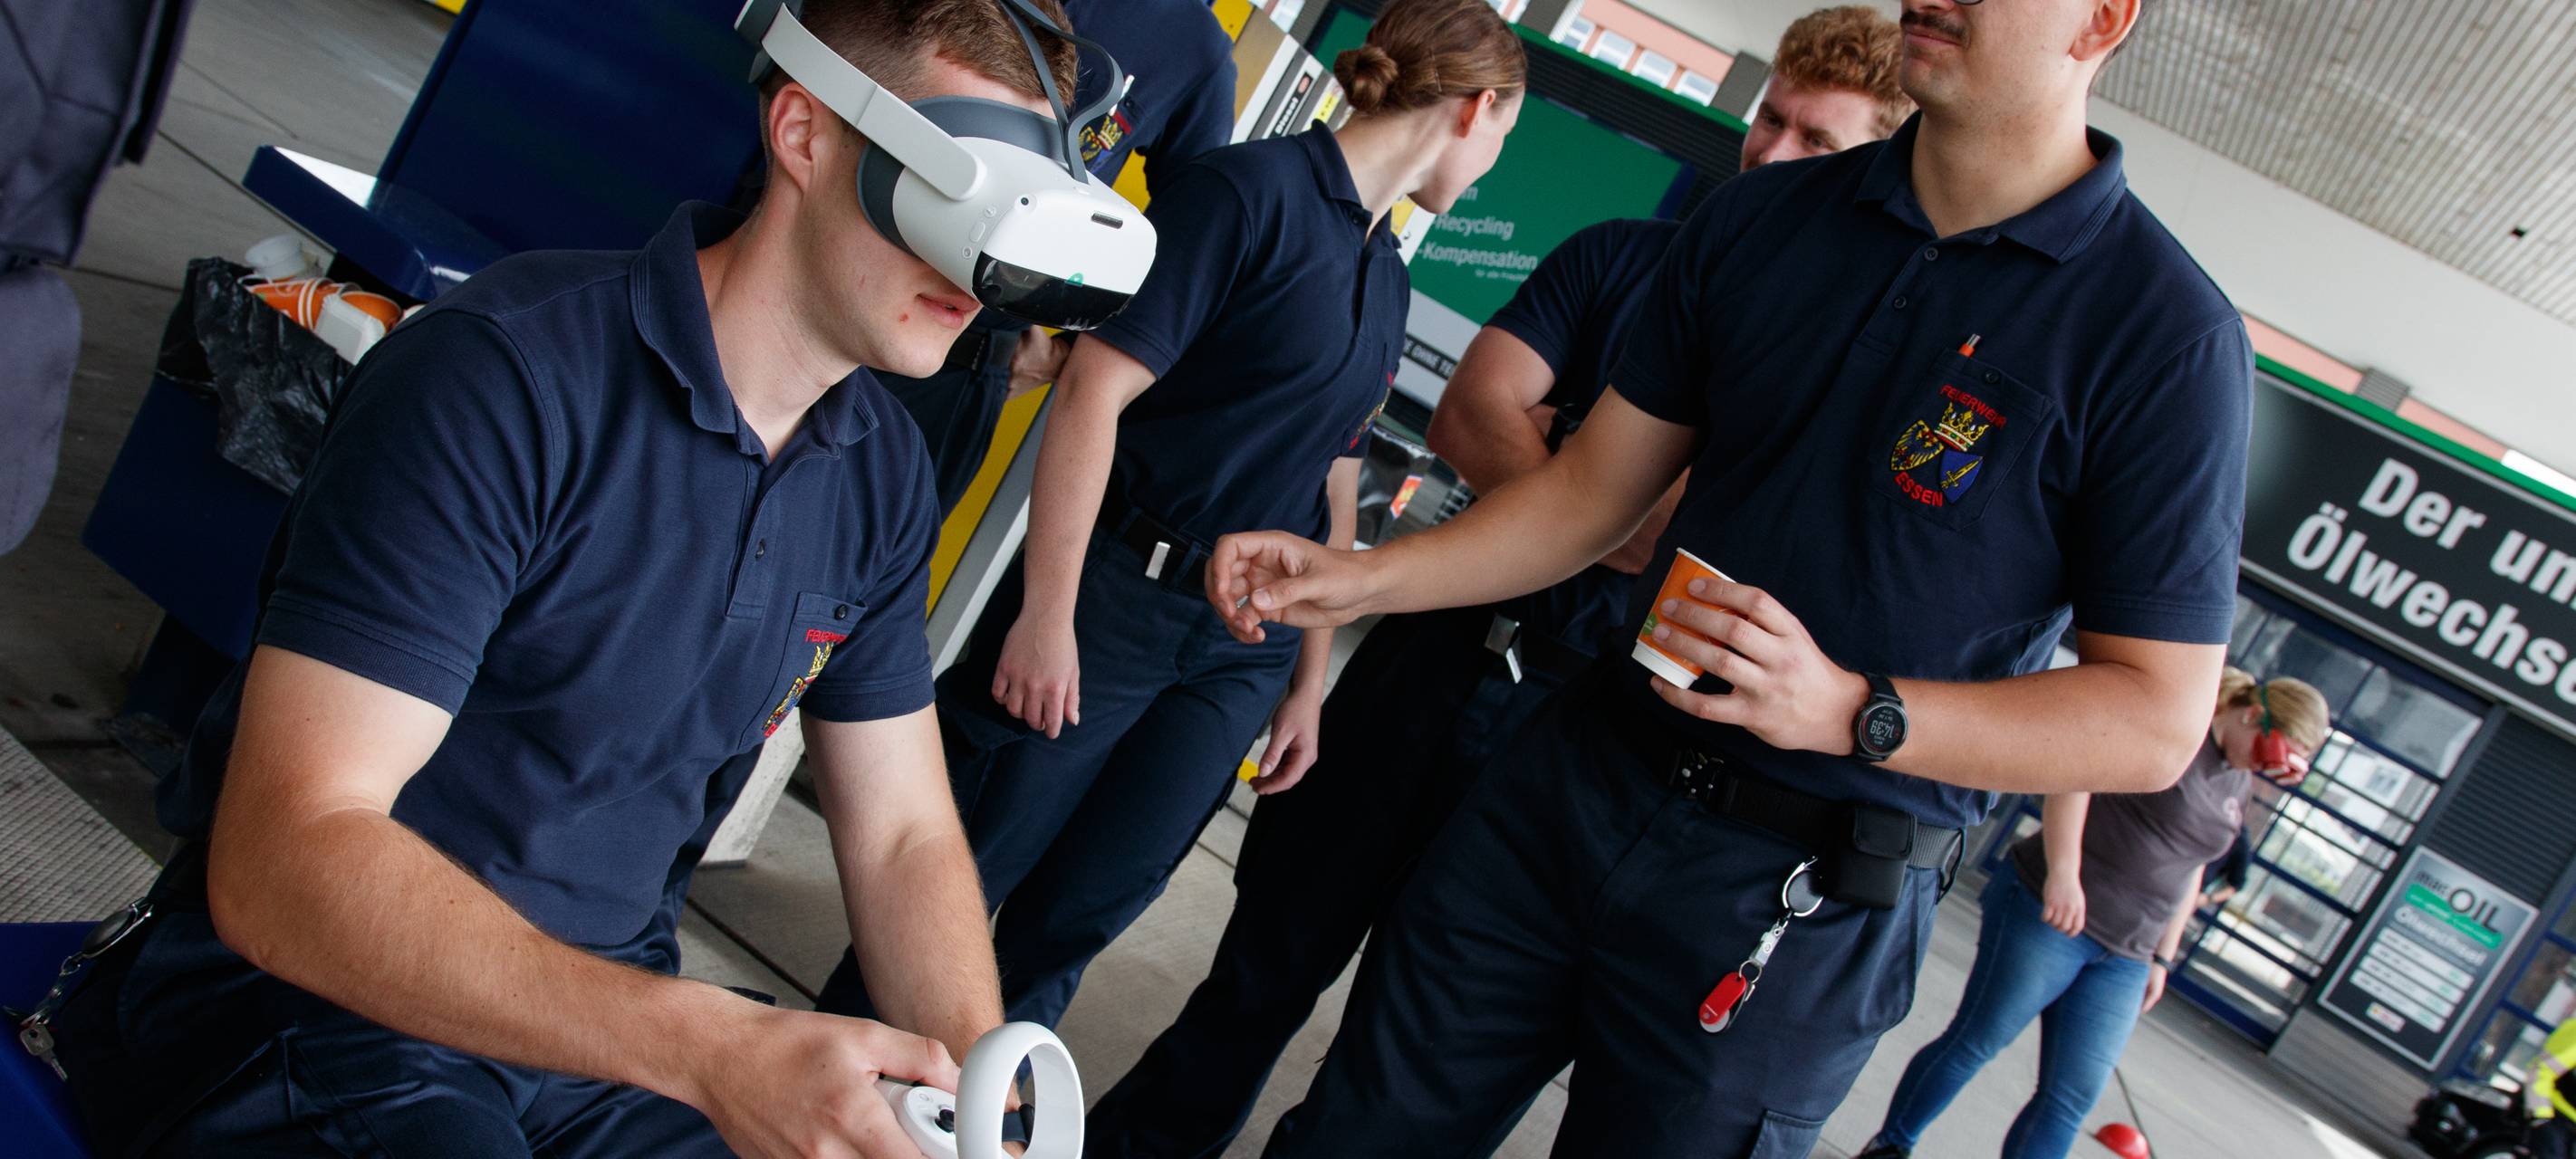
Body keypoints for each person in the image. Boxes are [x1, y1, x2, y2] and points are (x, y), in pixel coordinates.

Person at [1204, 0, 2259, 1151]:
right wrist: (1359, 578)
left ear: (2102, 20)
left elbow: (2155, 719)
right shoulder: (1764, 220)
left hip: (1804, 900)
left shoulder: (2167, 336)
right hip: (1572, 785)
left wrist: (1857, 711)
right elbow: (1585, 497)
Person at [46, 3, 1081, 1155]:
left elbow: (901, 835)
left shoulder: (880, 470)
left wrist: (978, 1106)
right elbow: (289, 853)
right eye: (958, 197)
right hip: (317, 1012)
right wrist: (702, 1044)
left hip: (604, 1041)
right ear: (803, 131)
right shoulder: (504, 380)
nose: (980, 267)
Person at [1083, 7, 1910, 1155]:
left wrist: (1578, 468)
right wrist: (1601, 502)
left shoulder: (1838, 352)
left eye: (1816, 142)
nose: (1771, 152)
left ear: (1879, 161)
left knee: (1408, 1058)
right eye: (1770, 118)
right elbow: (1478, 412)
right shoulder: (1625, 257)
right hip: (1431, 658)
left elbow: (1711, 545)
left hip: (1580, 733)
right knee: (1253, 977)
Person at [815, 0, 1528, 1032]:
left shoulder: (1387, 272)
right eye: (1507, 133)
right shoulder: (1247, 194)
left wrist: (1307, 681)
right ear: (1479, 108)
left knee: (1080, 917)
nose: (1499, 156)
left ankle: (969, 1123)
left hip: (1239, 654)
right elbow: (1091, 391)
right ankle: (840, 1083)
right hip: (1112, 607)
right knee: (959, 884)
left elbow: (1334, 476)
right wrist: (1045, 613)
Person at [1853, 668, 2328, 1159]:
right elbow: (2075, 774)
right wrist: (2064, 872)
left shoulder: (2238, 786)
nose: (2259, 768)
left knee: (2071, 1095)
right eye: (2264, 752)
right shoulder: (2173, 729)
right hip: (2050, 912)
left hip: (2128, 954)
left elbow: (2192, 871)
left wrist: (2163, 958)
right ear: (2251, 714)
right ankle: (1892, 1145)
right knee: (1977, 1042)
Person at [879, 0, 1239, 515]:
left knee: (861, 571)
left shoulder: (1195, 47)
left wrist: (1067, 344)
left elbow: (1192, 236)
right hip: (833, 259)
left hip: (957, 356)